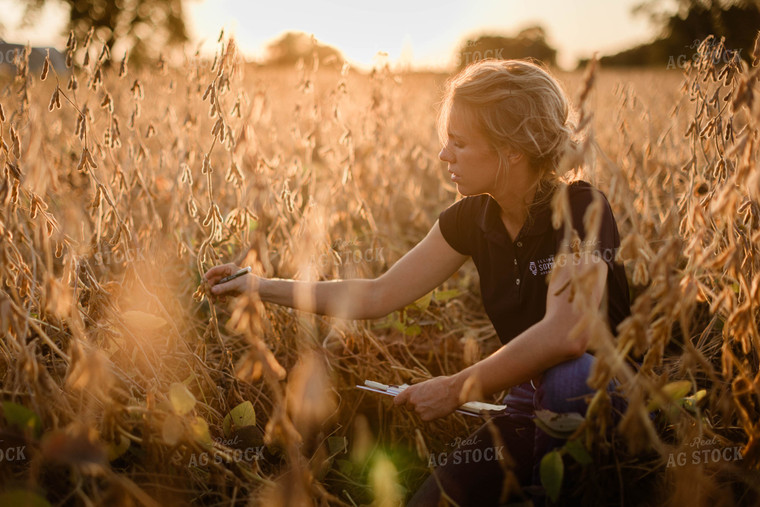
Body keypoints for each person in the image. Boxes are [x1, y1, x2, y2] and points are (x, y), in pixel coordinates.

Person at [205, 59, 630, 505]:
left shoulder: (581, 208)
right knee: (435, 500)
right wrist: (260, 285)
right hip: (528, 396)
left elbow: (569, 334)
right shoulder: (471, 219)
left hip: (609, 396)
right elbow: (377, 294)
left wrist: (454, 389)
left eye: (460, 144)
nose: (444, 155)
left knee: (570, 377)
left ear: (512, 151)